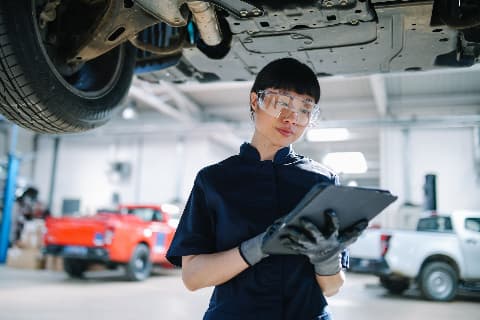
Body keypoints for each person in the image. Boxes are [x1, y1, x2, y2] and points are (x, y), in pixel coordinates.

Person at [166, 57, 367, 320]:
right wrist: (258, 247)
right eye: (282, 103)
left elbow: (331, 287)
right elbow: (192, 277)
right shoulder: (215, 180)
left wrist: (326, 257)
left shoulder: (323, 182)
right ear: (255, 101)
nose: (292, 117)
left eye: (305, 109)